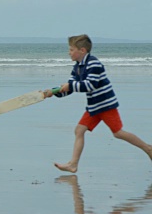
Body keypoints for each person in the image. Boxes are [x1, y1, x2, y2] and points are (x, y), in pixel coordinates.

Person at [44, 34, 152, 173]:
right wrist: (54, 92)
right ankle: (73, 164)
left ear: (82, 50)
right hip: (94, 107)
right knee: (79, 130)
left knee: (118, 133)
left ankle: (148, 148)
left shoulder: (93, 63)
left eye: (71, 50)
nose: (69, 52)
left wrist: (69, 86)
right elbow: (70, 87)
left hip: (106, 105)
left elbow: (90, 85)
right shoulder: (77, 67)